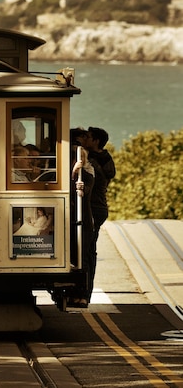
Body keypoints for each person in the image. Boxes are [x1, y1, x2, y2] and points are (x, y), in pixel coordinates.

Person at [78, 126, 116, 302]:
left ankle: (84, 293)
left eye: (88, 137)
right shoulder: (106, 159)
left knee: (86, 250)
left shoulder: (91, 161)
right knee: (89, 250)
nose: (85, 139)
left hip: (93, 207)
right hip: (99, 207)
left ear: (96, 141)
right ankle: (86, 291)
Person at [69, 128, 95, 307]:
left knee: (82, 257)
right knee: (75, 257)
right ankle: (76, 293)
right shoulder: (75, 173)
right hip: (75, 220)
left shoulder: (86, 174)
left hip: (84, 221)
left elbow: (82, 192)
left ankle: (83, 294)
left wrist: (75, 174)